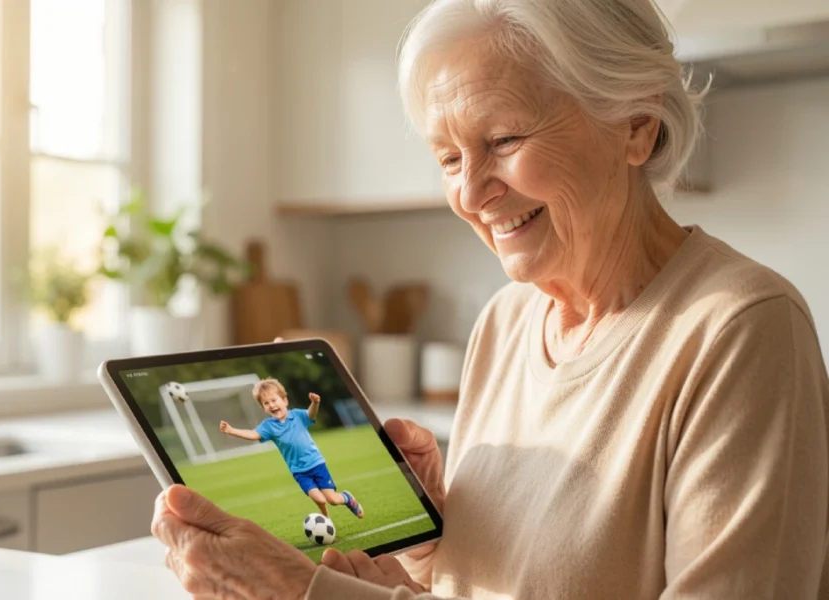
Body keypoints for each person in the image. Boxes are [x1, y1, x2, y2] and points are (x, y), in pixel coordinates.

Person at [151, 0, 829, 597]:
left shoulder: (741, 328)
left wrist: (309, 597)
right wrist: (424, 555)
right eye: (449, 158)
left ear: (635, 124)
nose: (471, 193)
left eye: (503, 140)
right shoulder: (506, 322)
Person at [219, 377, 365, 519]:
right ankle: (325, 516)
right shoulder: (268, 426)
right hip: (299, 471)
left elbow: (311, 414)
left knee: (333, 500)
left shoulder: (298, 415)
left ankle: (347, 498)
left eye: (274, 400)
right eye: (266, 403)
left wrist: (315, 403)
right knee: (320, 499)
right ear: (263, 408)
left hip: (316, 464)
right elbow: (253, 434)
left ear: (284, 400)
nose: (272, 405)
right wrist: (232, 431)